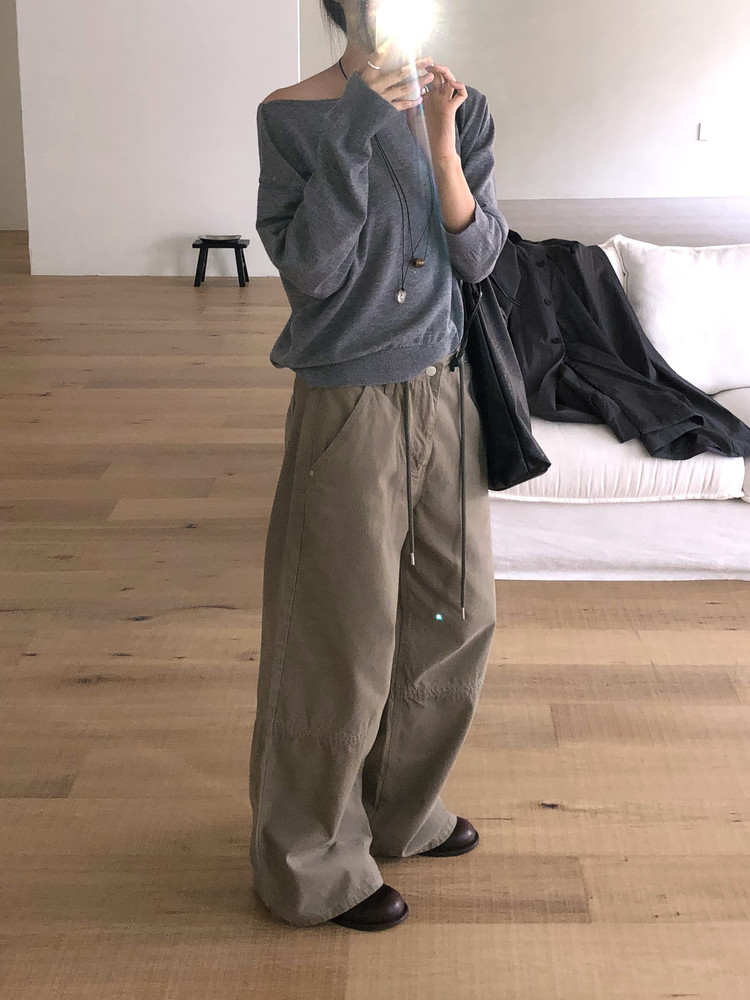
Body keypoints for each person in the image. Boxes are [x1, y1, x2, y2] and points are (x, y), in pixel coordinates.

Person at [248, 0, 509, 932]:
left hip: (447, 392)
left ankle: (399, 807)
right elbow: (313, 274)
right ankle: (310, 863)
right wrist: (359, 124)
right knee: (340, 636)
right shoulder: (291, 115)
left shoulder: (464, 107)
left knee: (457, 613)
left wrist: (440, 143)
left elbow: (481, 257)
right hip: (349, 404)